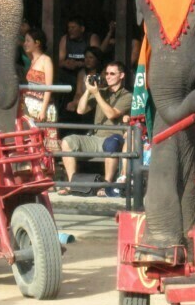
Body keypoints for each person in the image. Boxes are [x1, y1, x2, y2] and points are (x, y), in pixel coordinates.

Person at [59, 62, 132, 195]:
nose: (108, 77)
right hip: (96, 137)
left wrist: (97, 93)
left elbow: (111, 114)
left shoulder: (127, 96)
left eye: (112, 74)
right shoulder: (101, 92)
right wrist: (88, 90)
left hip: (114, 138)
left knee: (112, 144)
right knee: (67, 141)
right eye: (106, 73)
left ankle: (107, 186)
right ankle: (72, 184)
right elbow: (80, 110)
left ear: (121, 76)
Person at [20, 29, 60, 152]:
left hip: (42, 106)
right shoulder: (31, 60)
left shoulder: (45, 60)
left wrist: (43, 110)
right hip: (29, 107)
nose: (25, 43)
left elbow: (49, 86)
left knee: (45, 143)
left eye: (28, 41)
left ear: (37, 43)